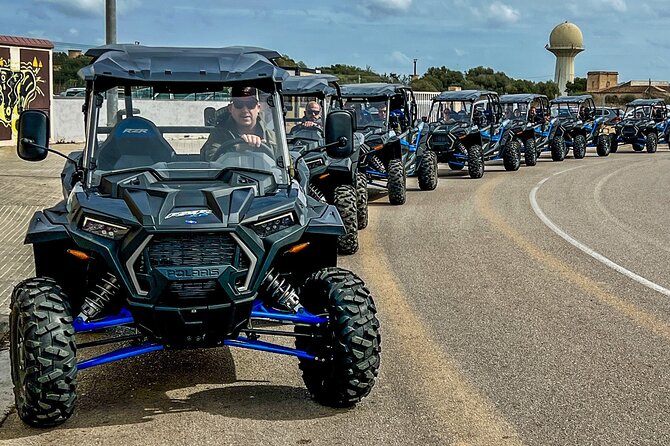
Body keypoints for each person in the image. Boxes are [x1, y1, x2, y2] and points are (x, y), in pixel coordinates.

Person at [201, 86, 275, 161]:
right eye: (239, 104)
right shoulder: (219, 135)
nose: (245, 110)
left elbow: (282, 165)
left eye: (250, 104)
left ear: (258, 108)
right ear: (230, 108)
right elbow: (211, 161)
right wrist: (238, 149)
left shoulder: (272, 138)